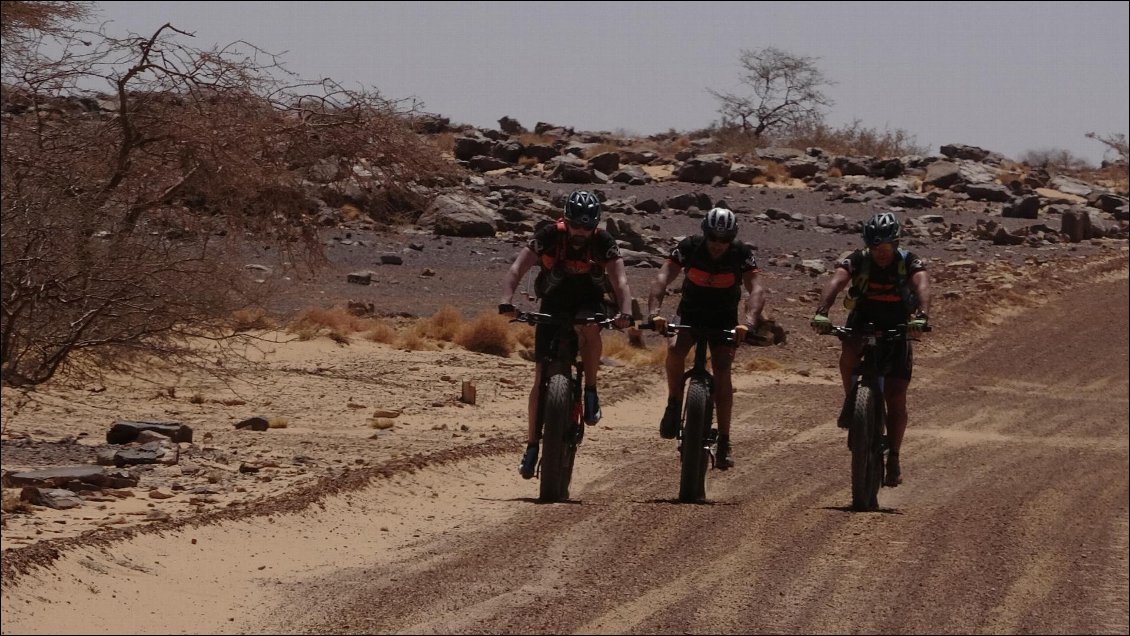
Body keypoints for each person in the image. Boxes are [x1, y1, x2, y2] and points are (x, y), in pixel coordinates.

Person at [499, 190, 634, 479]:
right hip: (554, 301)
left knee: (589, 327)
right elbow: (517, 267)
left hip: (589, 301)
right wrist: (507, 301)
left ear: (595, 224)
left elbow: (620, 280)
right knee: (539, 378)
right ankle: (533, 445)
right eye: (576, 225)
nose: (581, 232)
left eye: (588, 226)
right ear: (566, 219)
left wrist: (624, 312)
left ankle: (591, 390)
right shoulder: (548, 234)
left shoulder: (604, 242)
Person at [809, 211, 931, 487]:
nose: (880, 253)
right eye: (875, 247)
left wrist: (922, 317)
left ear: (896, 243)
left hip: (898, 326)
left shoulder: (909, 261)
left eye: (886, 247)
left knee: (896, 395)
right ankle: (853, 403)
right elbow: (838, 279)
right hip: (862, 321)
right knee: (848, 355)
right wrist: (822, 312)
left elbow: (922, 283)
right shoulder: (859, 259)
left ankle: (895, 457)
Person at [646, 207, 766, 470]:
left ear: (732, 238)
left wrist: (748, 323)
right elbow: (663, 277)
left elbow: (756, 288)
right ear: (705, 233)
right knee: (676, 349)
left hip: (724, 317)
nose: (717, 244)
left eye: (724, 240)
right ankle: (674, 402)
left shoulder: (741, 254)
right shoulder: (689, 247)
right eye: (713, 237)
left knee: (723, 368)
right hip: (691, 312)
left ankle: (724, 439)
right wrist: (654, 313)